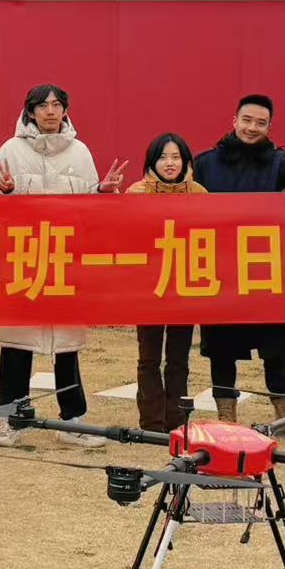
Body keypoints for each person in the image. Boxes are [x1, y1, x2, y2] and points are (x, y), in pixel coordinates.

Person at [0, 84, 127, 448]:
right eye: (42, 105)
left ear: (65, 111)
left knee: (67, 347)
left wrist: (102, 192)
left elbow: (92, 209)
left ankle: (72, 421)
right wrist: (4, 191)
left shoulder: (80, 152)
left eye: (57, 104)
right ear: (29, 111)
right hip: (23, 260)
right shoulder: (10, 150)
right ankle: (12, 420)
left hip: (65, 262)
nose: (50, 110)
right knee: (16, 345)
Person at [191, 91, 285, 431]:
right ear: (234, 120)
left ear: (268, 127)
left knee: (275, 346)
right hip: (220, 268)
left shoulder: (276, 162)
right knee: (221, 348)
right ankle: (227, 417)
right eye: (247, 120)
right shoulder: (205, 163)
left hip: (265, 268)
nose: (252, 127)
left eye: (261, 123)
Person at [126, 132, 207, 433]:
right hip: (148, 288)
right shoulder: (136, 193)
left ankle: (177, 420)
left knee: (178, 359)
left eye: (176, 157)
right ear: (151, 161)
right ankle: (151, 421)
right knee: (148, 357)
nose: (170, 163)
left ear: (185, 161)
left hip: (184, 286)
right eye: (163, 157)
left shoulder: (199, 193)